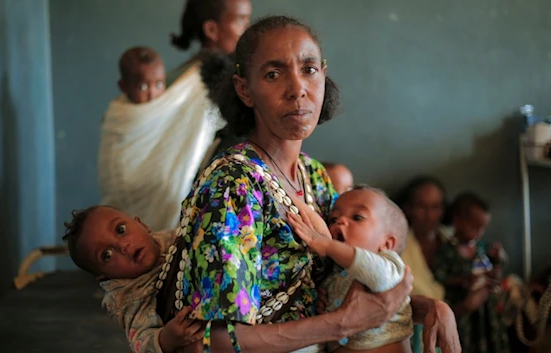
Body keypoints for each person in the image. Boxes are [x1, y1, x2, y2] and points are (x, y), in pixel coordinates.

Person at [154, 16, 460, 353]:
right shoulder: (233, 186)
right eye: (273, 74)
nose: (297, 87)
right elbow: (214, 341)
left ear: (323, 76)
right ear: (245, 90)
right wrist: (343, 324)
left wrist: (431, 308)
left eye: (309, 69)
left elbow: (350, 287)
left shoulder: (313, 176)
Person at [98, 0, 252, 232]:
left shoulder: (190, 74)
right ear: (212, 30)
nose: (247, 28)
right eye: (240, 20)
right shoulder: (210, 81)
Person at [62, 206, 203, 353]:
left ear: (142, 225)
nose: (123, 246)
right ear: (105, 276)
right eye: (107, 255)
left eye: (120, 230)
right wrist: (167, 338)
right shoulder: (129, 298)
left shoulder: (172, 238)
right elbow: (140, 342)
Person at [289, 186, 413, 353]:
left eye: (357, 217)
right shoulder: (334, 275)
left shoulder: (390, 264)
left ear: (387, 244)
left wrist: (328, 245)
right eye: (333, 219)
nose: (340, 221)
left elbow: (377, 275)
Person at [396, 177, 494, 352]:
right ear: (408, 208)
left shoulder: (456, 242)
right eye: (421, 207)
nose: (429, 215)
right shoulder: (398, 249)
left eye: (435, 207)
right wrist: (465, 306)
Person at [433, 192, 509, 353]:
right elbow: (440, 277)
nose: (478, 233)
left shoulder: (481, 248)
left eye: (482, 229)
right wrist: (464, 279)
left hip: (487, 312)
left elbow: (491, 270)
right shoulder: (446, 251)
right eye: (474, 227)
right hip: (465, 314)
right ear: (457, 220)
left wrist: (498, 261)